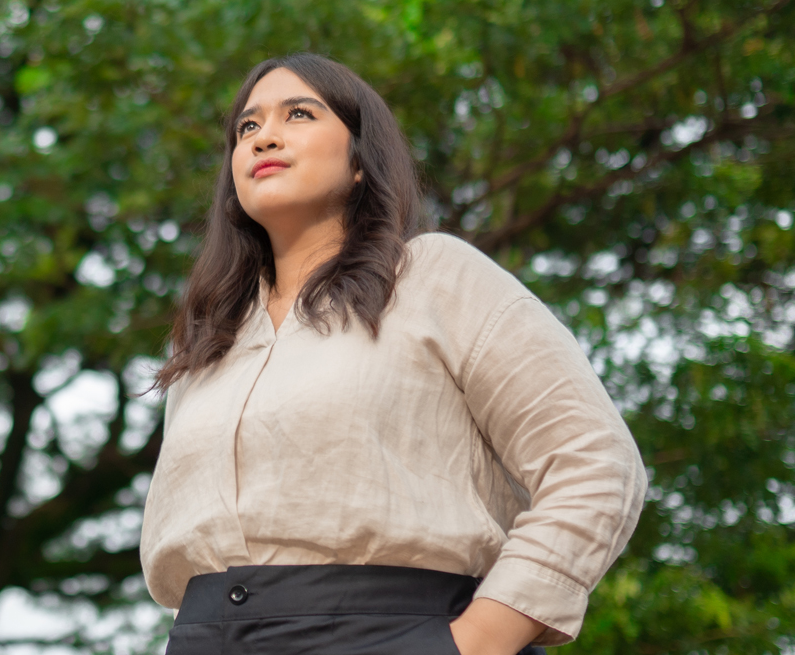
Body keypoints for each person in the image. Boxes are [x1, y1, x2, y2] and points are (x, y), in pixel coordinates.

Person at [140, 54, 647, 655]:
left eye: (299, 113)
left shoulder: (435, 277)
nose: (264, 136)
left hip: (396, 630)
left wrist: (479, 640)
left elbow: (594, 461)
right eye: (246, 128)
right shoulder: (205, 342)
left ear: (360, 162)